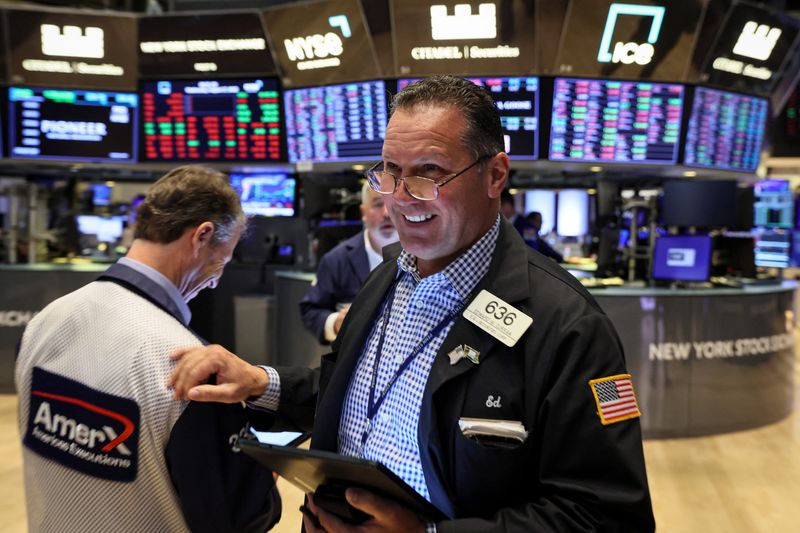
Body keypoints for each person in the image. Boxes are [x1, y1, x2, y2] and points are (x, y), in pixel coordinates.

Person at [170, 76, 655, 532]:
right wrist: (263, 383)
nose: (400, 199)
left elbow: (608, 516)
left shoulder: (570, 327)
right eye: (390, 173)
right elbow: (359, 398)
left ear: (495, 175)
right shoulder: (386, 277)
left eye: (430, 173)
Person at [15, 166, 281, 533]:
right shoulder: (190, 367)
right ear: (202, 236)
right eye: (223, 259)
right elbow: (239, 517)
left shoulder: (45, 321)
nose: (217, 280)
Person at [300, 182, 398, 343]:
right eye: (378, 204)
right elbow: (310, 311)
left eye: (392, 204)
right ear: (363, 212)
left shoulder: (424, 255)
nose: (386, 213)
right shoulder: (337, 259)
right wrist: (335, 323)